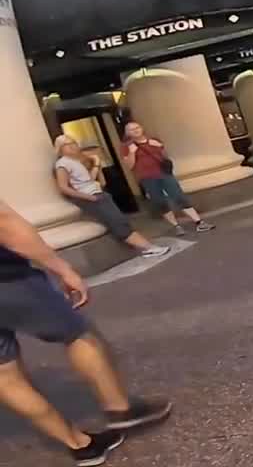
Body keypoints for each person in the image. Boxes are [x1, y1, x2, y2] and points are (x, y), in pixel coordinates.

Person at [0, 198, 172, 465]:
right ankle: (120, 410)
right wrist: (62, 268)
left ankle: (81, 445)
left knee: (4, 376)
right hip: (8, 282)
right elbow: (4, 223)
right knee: (78, 335)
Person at [54, 136, 169, 259]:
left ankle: (147, 247)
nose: (72, 146)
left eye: (73, 143)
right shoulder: (62, 164)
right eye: (67, 144)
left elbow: (91, 181)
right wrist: (89, 198)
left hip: (99, 194)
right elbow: (63, 187)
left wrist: (97, 165)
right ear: (60, 148)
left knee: (121, 220)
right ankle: (149, 247)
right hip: (92, 197)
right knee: (118, 222)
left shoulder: (75, 161)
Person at [120, 122, 214, 236]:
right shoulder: (126, 147)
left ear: (141, 128)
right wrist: (132, 152)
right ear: (127, 133)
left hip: (164, 174)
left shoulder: (153, 140)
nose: (135, 130)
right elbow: (130, 166)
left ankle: (199, 222)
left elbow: (165, 157)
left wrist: (159, 147)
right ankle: (176, 226)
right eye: (131, 130)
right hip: (147, 178)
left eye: (137, 128)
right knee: (160, 202)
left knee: (179, 197)